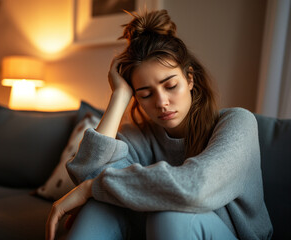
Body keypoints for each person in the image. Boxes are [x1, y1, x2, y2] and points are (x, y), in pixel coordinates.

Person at [46, 9, 273, 240]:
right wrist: (119, 97)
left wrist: (92, 188)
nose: (162, 103)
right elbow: (87, 174)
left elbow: (194, 188)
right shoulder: (138, 136)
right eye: (145, 94)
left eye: (171, 86)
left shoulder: (238, 123)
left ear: (190, 78)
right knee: (99, 208)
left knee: (168, 214)